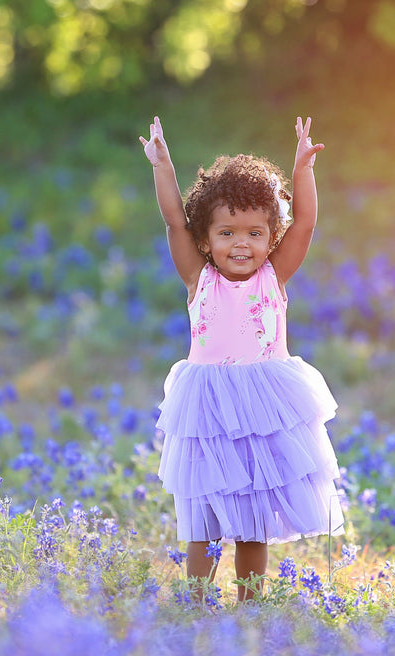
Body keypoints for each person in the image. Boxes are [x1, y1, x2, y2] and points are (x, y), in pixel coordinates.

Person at [139, 115, 344, 601]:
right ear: (205, 239)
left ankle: (251, 605)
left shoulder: (274, 277)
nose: (241, 244)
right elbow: (172, 219)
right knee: (205, 513)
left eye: (255, 233)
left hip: (264, 406)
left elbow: (307, 221)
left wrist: (302, 171)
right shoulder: (197, 277)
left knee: (253, 517)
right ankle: (195, 600)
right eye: (227, 232)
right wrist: (163, 166)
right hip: (209, 406)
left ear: (271, 236)